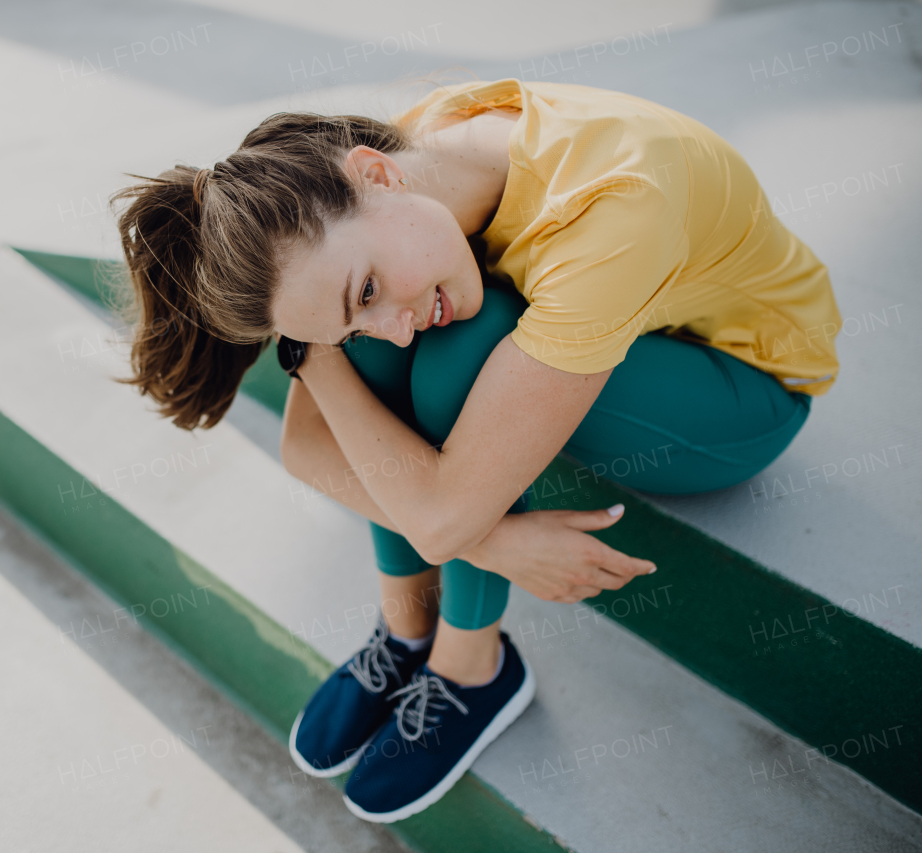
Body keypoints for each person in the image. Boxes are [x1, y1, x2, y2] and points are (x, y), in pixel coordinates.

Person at [108, 76, 841, 824]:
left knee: (461, 342)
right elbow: (307, 446)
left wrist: (462, 526)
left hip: (740, 390)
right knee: (385, 357)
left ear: (377, 173)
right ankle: (407, 624)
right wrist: (327, 349)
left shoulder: (612, 208)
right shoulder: (401, 178)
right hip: (625, 329)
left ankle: (473, 666)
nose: (389, 323)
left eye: (364, 292)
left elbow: (436, 521)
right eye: (352, 317)